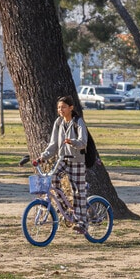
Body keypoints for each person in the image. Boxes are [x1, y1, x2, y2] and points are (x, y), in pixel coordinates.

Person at [38, 95, 89, 234]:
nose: (60, 110)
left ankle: (82, 223)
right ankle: (66, 210)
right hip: (63, 159)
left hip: (77, 161)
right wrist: (43, 157)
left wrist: (73, 142)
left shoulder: (78, 122)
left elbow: (83, 142)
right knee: (52, 179)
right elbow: (53, 144)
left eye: (63, 107)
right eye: (59, 107)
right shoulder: (59, 122)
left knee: (79, 192)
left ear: (71, 108)